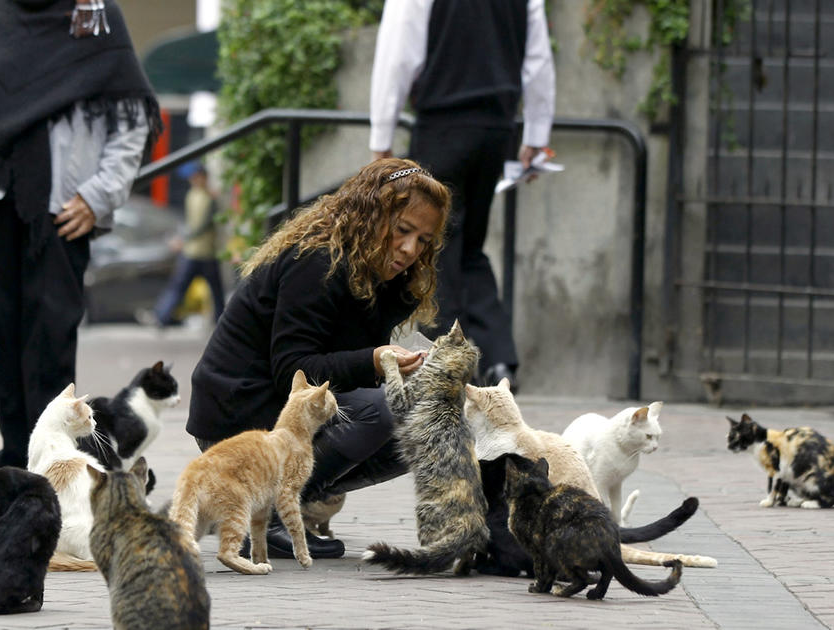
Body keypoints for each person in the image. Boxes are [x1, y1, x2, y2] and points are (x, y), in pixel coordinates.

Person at [0, 0, 161, 481]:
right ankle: (14, 450)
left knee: (50, 335)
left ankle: (53, 456)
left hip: (63, 210)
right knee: (0, 328)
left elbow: (131, 123)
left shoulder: (93, 16)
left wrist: (97, 196)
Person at [187, 158, 451, 559]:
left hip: (278, 421)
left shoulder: (384, 277)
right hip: (239, 416)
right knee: (383, 411)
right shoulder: (316, 262)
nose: (410, 249)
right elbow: (292, 372)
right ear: (372, 213)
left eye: (424, 241)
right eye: (402, 230)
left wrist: (416, 368)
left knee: (430, 419)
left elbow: (348, 365)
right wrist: (375, 361)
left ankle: (295, 503)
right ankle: (260, 507)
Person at [369, 0, 555, 391]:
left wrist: (381, 136)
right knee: (470, 247)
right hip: (496, 130)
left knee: (434, 248)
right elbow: (537, 61)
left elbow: (397, 53)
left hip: (443, 125)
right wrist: (536, 136)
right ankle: (499, 358)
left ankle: (447, 365)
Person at [152, 162, 225, 327]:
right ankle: (162, 317)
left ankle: (221, 320)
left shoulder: (207, 197)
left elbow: (204, 224)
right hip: (193, 251)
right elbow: (192, 223)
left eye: (195, 177)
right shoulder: (193, 195)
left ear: (203, 177)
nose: (192, 180)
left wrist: (183, 239)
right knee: (180, 286)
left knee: (214, 290)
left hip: (205, 251)